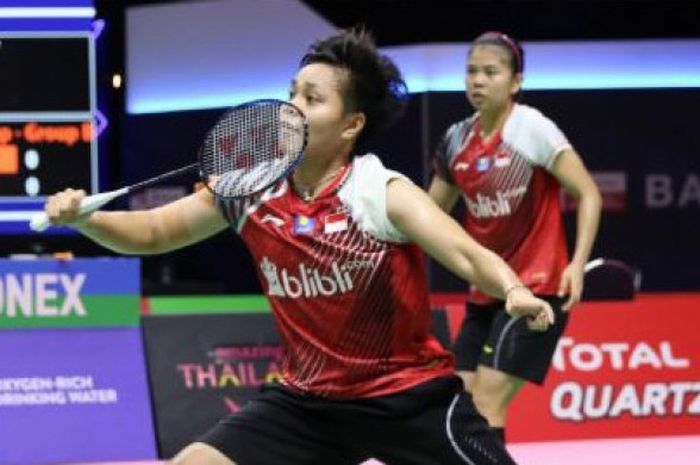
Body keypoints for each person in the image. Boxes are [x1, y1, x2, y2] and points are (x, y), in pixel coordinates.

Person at [45, 28, 554, 465]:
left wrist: (511, 289)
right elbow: (155, 232)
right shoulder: (248, 189)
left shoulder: (378, 191)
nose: (292, 107)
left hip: (405, 397)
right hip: (307, 403)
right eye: (292, 92)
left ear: (351, 125)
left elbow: (464, 252)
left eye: (312, 99)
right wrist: (85, 221)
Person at [428, 31, 602, 444]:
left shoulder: (532, 129)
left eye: (491, 72)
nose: (478, 81)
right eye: (471, 71)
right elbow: (428, 215)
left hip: (537, 289)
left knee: (488, 402)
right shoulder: (456, 140)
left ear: (515, 82)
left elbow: (588, 193)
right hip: (486, 291)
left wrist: (577, 264)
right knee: (459, 402)